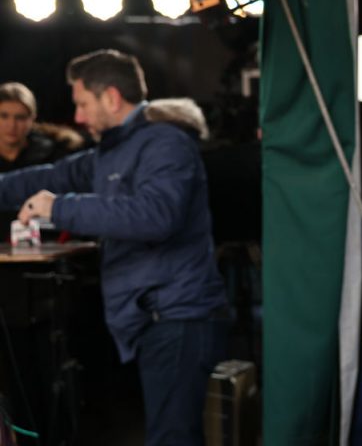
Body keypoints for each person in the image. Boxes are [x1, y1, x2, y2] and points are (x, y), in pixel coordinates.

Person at [0, 49, 228, 446]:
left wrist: (60, 208)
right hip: (153, 317)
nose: (79, 118)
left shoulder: (165, 143)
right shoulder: (113, 150)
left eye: (83, 104)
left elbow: (157, 215)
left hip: (177, 317)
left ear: (111, 97)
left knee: (172, 438)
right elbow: (53, 175)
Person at [0, 81, 86, 173]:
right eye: (4, 116)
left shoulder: (55, 155)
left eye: (20, 118)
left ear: (32, 119)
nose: (12, 125)